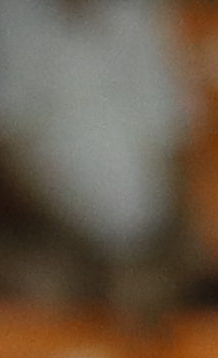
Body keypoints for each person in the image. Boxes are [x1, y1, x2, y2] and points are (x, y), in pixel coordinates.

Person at [0, 0, 192, 319]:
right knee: (43, 290)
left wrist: (164, 257)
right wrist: (97, 259)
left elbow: (174, 143)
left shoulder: (141, 14)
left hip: (145, 248)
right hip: (41, 241)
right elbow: (8, 157)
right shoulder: (11, 18)